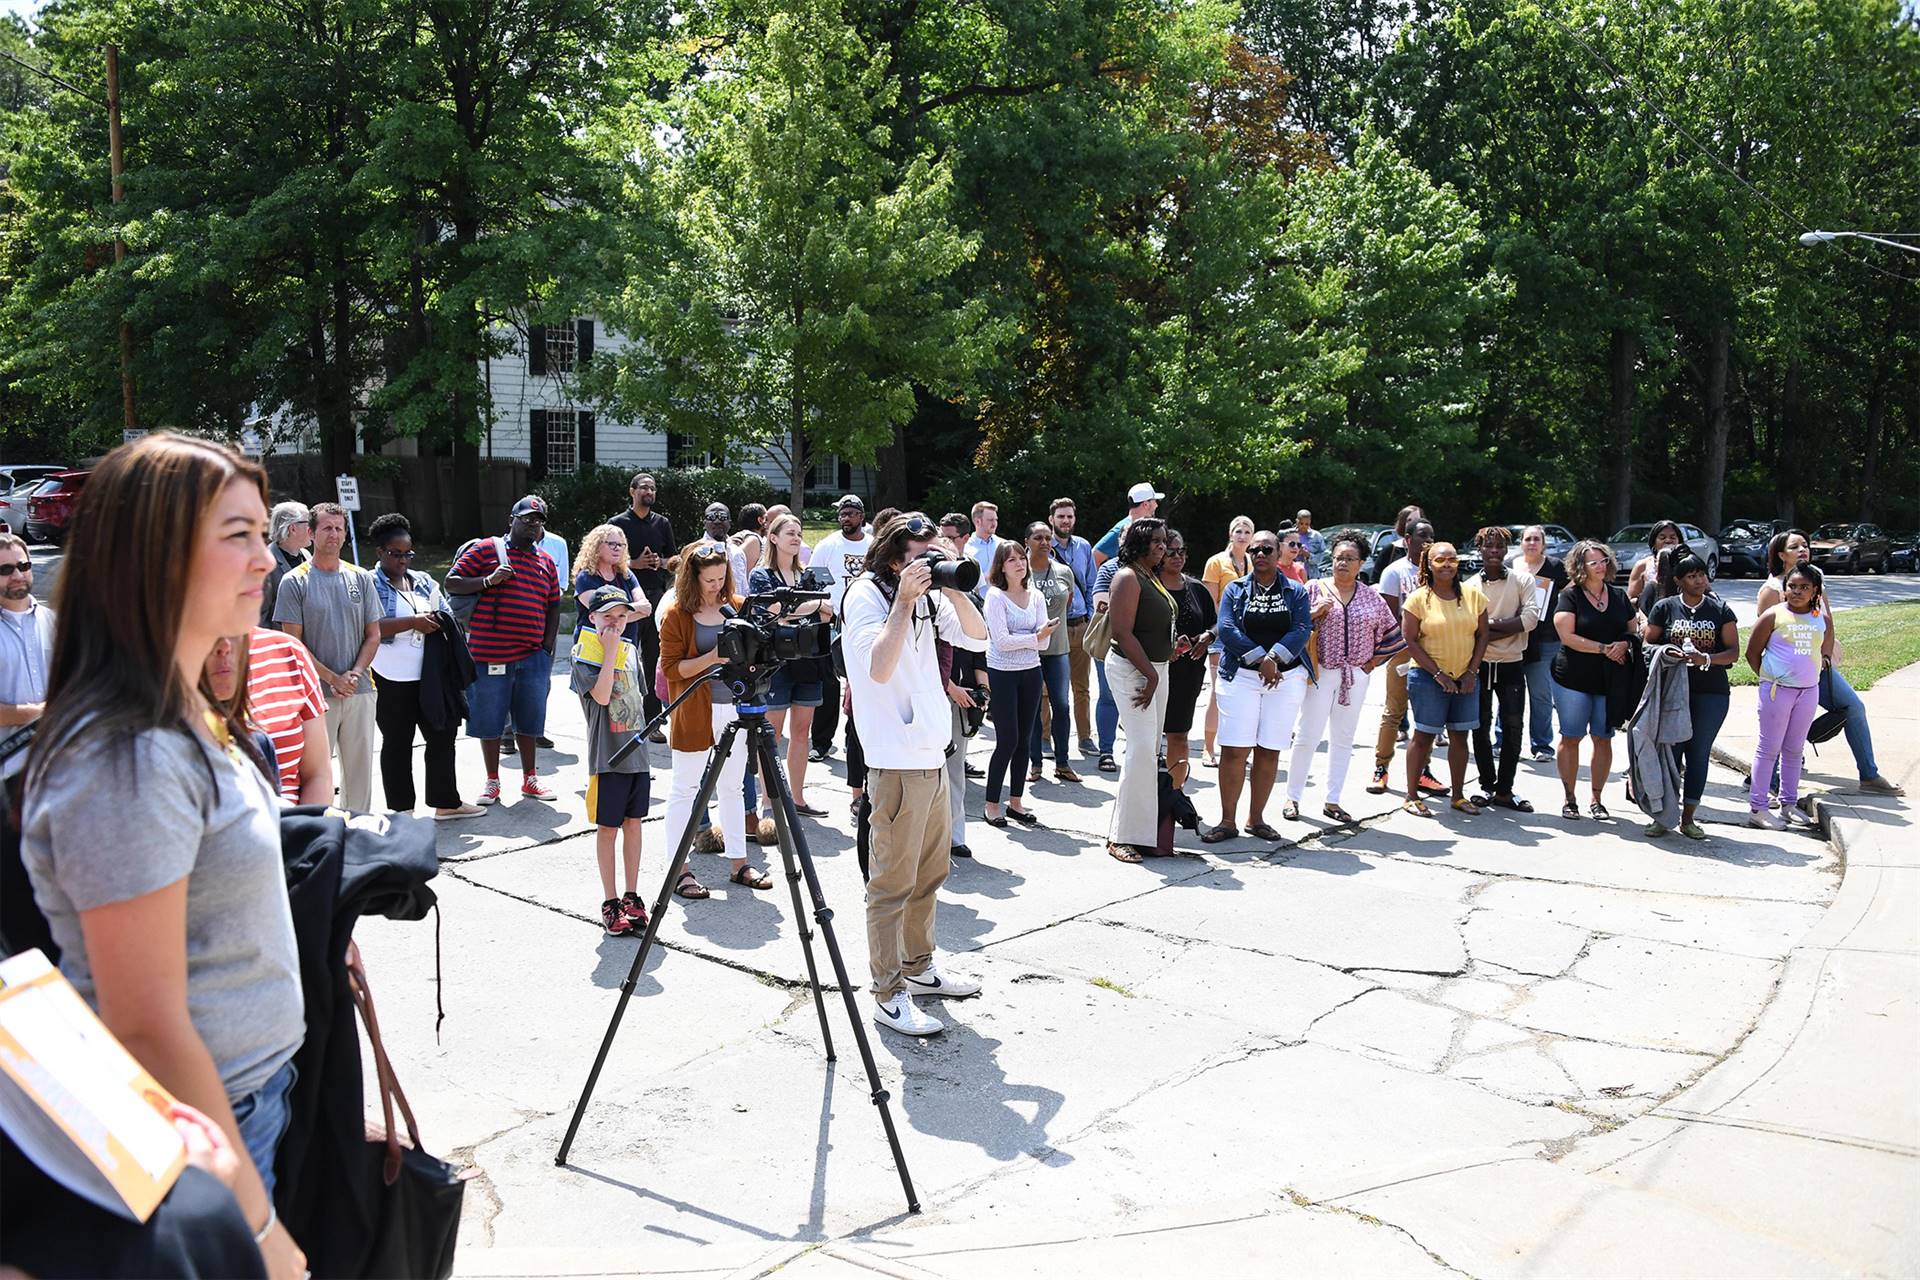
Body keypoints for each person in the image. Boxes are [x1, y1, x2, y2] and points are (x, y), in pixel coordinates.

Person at [21, 433, 307, 1280]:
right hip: (198, 1128)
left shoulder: (183, 712)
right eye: (238, 536)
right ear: (155, 552)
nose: (265, 559)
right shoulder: (129, 755)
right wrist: (258, 1228)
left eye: (265, 533)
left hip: (248, 1098)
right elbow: (143, 1023)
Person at [841, 513, 987, 1036]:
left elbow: (978, 637)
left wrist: (954, 584)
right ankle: (886, 991)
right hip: (895, 761)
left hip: (933, 753)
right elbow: (878, 668)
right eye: (921, 554)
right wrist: (903, 599)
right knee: (890, 884)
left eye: (935, 553)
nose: (929, 562)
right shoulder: (868, 596)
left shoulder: (929, 595)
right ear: (893, 553)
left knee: (930, 875)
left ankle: (919, 968)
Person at [1755, 531, 1902, 797]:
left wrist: (1825, 655)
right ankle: (1769, 784)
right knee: (1781, 725)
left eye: (1805, 546)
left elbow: (1828, 621)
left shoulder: (1817, 582)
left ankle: (1868, 775)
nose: (1803, 550)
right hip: (1784, 675)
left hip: (1818, 669)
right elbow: (1761, 637)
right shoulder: (1772, 589)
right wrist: (1770, 675)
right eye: (1795, 546)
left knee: (1853, 707)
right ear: (1780, 554)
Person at [659, 542, 765, 896]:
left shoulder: (735, 607)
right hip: (694, 710)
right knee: (685, 789)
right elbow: (674, 670)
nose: (717, 585)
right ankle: (680, 870)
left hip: (735, 709)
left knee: (733, 787)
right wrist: (714, 657)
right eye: (709, 580)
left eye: (722, 578)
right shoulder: (677, 614)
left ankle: (739, 863)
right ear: (692, 578)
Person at [447, 495, 563, 805]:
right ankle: (492, 782)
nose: (532, 525)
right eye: (526, 519)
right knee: (490, 719)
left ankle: (530, 779)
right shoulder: (487, 549)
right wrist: (487, 580)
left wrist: (547, 647)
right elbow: (452, 582)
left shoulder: (546, 561)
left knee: (530, 720)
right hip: (490, 654)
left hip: (532, 656)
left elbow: (554, 607)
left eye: (538, 521)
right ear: (511, 519)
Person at [367, 513, 482, 820]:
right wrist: (412, 623)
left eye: (408, 553)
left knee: (443, 737)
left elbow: (447, 614)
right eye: (395, 553)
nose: (403, 560)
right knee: (397, 743)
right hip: (391, 678)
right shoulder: (369, 583)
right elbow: (371, 627)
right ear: (379, 552)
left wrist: (438, 622)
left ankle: (446, 802)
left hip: (431, 676)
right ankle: (401, 810)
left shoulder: (423, 581)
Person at [272, 501, 382, 811]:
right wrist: (332, 678)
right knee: (315, 775)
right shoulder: (294, 581)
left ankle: (358, 836)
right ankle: (320, 838)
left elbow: (373, 635)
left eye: (339, 528)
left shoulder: (360, 578)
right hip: (316, 697)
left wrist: (355, 674)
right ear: (310, 532)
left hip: (360, 690)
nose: (333, 534)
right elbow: (293, 642)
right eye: (326, 528)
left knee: (360, 777)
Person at [1205, 528, 1312, 845]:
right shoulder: (1236, 589)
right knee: (1235, 748)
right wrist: (1260, 659)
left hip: (1285, 678)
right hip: (1241, 676)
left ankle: (1257, 819)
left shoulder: (1296, 591)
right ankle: (1227, 821)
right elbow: (1226, 627)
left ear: (1280, 555)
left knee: (1268, 749)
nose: (1261, 555)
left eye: (1267, 549)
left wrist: (1274, 659)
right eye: (1255, 550)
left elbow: (1301, 628)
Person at [1287, 532, 1399, 823]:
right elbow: (1292, 624)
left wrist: (1372, 663)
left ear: (1361, 563)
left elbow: (1392, 633)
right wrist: (1314, 613)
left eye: (1349, 559)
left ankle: (1332, 800)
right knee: (1308, 734)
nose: (1342, 563)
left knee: (1343, 738)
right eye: (1338, 558)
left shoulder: (1371, 596)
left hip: (1356, 675)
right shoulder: (1315, 588)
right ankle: (1293, 797)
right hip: (1321, 672)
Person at [572, 586, 653, 934]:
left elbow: (639, 699)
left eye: (621, 617)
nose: (615, 623)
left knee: (633, 824)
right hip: (608, 756)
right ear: (592, 618)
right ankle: (610, 900)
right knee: (608, 828)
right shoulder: (585, 652)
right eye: (607, 617)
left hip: (637, 754)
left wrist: (618, 647)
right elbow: (603, 695)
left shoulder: (631, 650)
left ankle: (632, 895)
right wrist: (608, 653)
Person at [1643, 549, 1738, 838]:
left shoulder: (1719, 609)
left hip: (1712, 693)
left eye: (1702, 574)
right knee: (1671, 751)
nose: (1699, 580)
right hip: (1672, 691)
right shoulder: (1665, 607)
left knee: (1698, 752)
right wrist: (1667, 652)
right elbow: (1647, 646)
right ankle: (1663, 816)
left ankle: (1689, 817)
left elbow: (1733, 652)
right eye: (1692, 576)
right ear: (1679, 580)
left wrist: (1705, 659)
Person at [748, 512, 832, 818]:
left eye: (799, 533)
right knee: (773, 734)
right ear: (773, 538)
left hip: (809, 660)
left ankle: (796, 798)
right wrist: (809, 607)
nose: (797, 538)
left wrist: (792, 611)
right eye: (790, 533)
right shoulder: (761, 574)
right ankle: (769, 800)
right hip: (776, 662)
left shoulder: (808, 573)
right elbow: (771, 611)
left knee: (801, 733)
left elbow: (828, 610)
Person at [1551, 539, 1634, 820]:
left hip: (1609, 680)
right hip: (1573, 677)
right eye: (1594, 562)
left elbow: (1633, 630)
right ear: (1580, 567)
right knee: (1571, 736)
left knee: (1603, 737)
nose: (1601, 566)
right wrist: (1603, 648)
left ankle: (1596, 798)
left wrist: (1624, 644)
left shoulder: (1619, 596)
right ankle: (1569, 797)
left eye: (1604, 561)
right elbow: (1568, 637)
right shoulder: (1570, 596)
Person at [1745, 563, 1832, 830]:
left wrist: (1818, 666)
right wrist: (1770, 677)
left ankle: (1788, 804)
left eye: (1804, 587)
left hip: (1807, 692)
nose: (1796, 591)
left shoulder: (1822, 618)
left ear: (1815, 590)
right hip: (1776, 691)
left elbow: (1825, 652)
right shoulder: (1773, 615)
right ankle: (1758, 808)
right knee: (1769, 748)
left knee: (1794, 750)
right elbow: (1752, 652)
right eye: (1792, 586)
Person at [981, 540, 1055, 827]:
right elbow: (1000, 641)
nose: (1019, 563)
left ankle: (1016, 801)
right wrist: (1033, 637)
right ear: (1001, 566)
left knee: (1025, 738)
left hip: (1031, 671)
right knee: (1007, 739)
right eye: (1011, 560)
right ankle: (991, 803)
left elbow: (1045, 640)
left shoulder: (1035, 596)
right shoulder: (995, 597)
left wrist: (1030, 639)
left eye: (1021, 558)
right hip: (1001, 673)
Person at [1466, 526, 1539, 812]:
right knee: (1480, 725)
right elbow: (1470, 630)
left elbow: (1532, 618)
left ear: (1507, 550)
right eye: (1488, 546)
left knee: (1513, 726)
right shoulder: (1471, 585)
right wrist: (1502, 627)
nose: (1494, 551)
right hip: (1480, 663)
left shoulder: (1523, 580)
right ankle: (1486, 784)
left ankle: (1505, 789)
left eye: (1499, 546)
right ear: (1480, 550)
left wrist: (1488, 629)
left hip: (1512, 663)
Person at [1369, 518, 1440, 796]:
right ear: (1408, 540)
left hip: (1433, 652)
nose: (1427, 542)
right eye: (1422, 536)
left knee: (1427, 716)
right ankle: (1380, 768)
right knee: (1394, 711)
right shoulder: (1394, 572)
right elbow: (1390, 618)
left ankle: (1424, 771)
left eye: (1431, 536)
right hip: (1403, 651)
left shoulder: (1438, 571)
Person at [609, 473, 676, 740]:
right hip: (624, 601)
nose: (649, 491)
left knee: (652, 660)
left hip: (655, 599)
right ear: (632, 491)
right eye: (644, 487)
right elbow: (606, 558)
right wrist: (633, 564)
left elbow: (674, 558)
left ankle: (652, 722)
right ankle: (620, 717)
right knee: (622, 659)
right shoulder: (617, 525)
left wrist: (659, 562)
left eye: (653, 488)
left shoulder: (662, 523)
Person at [808, 494, 871, 762]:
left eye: (851, 513)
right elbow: (813, 579)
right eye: (842, 514)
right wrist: (825, 605)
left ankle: (856, 739)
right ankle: (822, 742)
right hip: (832, 620)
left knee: (861, 681)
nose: (846, 518)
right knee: (830, 683)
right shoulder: (827, 545)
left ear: (862, 516)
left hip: (865, 620)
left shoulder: (873, 545)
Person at [241, 626, 334, 805]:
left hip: (292, 825)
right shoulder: (174, 665)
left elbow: (318, 775)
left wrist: (304, 829)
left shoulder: (289, 651)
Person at [1156, 528, 1216, 789]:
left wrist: (1208, 636)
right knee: (1147, 740)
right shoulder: (1148, 585)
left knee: (1179, 735)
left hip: (1188, 674)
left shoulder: (1196, 589)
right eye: (1170, 552)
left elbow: (1216, 623)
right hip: (1154, 672)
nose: (1177, 556)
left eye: (1181, 551)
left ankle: (1175, 794)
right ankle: (1145, 800)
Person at [1024, 521, 1080, 783]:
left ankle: (1063, 763)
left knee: (1062, 704)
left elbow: (1066, 603)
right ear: (1027, 541)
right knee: (1033, 708)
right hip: (1028, 651)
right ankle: (1035, 764)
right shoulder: (1018, 572)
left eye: (1048, 538)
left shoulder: (1063, 571)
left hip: (1058, 649)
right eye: (1038, 538)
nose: (1044, 542)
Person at [1200, 516, 1254, 768]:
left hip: (1247, 635)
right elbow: (1209, 604)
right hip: (1222, 634)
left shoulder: (1254, 561)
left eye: (1247, 531)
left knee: (1243, 693)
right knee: (1217, 691)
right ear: (1230, 534)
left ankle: (1237, 748)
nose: (1242, 535)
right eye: (1238, 531)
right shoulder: (1216, 562)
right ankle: (1208, 748)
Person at [1047, 498, 1098, 756]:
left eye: (1069, 516)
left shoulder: (1084, 547)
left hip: (1080, 625)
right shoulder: (1042, 548)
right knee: (1048, 689)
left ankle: (1085, 737)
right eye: (1061, 517)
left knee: (1082, 687)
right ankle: (1045, 739)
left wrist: (1090, 617)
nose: (1065, 521)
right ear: (1051, 520)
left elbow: (1091, 585)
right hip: (1054, 628)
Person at [1512, 525, 1567, 761]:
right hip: (1513, 637)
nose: (1532, 543)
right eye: (1528, 539)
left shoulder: (1555, 567)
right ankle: (1502, 742)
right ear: (1521, 543)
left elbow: (1571, 589)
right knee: (1509, 694)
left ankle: (1542, 746)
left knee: (1541, 695)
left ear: (1543, 543)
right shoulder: (1510, 565)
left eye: (1537, 539)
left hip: (1545, 640)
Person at [0, 531, 52, 780]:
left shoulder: (57, 623)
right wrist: (41, 712)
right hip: (6, 776)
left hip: (56, 771)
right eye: (6, 569)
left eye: (23, 565)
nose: (18, 575)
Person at [571, 523, 645, 649]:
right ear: (596, 546)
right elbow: (601, 611)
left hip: (625, 647)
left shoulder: (626, 574)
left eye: (621, 545)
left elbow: (646, 609)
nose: (617, 548)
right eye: (611, 544)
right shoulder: (585, 577)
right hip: (592, 648)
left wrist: (616, 615)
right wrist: (631, 610)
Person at [261, 501, 310, 626]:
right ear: (292, 528)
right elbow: (260, 616)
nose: (313, 528)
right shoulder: (266, 563)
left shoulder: (307, 555)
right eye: (309, 522)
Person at [1093, 482, 1162, 567]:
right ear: (1145, 504)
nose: (1157, 505)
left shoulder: (1140, 527)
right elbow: (1094, 557)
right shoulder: (1122, 529)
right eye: (1155, 501)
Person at [1628, 520, 1684, 614]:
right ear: (1653, 542)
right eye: (1662, 537)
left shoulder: (1687, 563)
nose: (1668, 540)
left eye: (1672, 537)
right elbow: (1630, 600)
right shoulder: (1642, 566)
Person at [1370, 503, 1425, 581]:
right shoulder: (1390, 549)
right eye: (1409, 520)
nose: (1413, 524)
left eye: (1417, 520)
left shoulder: (1428, 551)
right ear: (1403, 524)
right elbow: (1375, 581)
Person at [965, 501, 1006, 595]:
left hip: (1004, 601)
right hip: (977, 604)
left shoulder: (1003, 544)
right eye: (990, 520)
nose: (995, 523)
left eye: (996, 519)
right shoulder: (966, 548)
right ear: (978, 521)